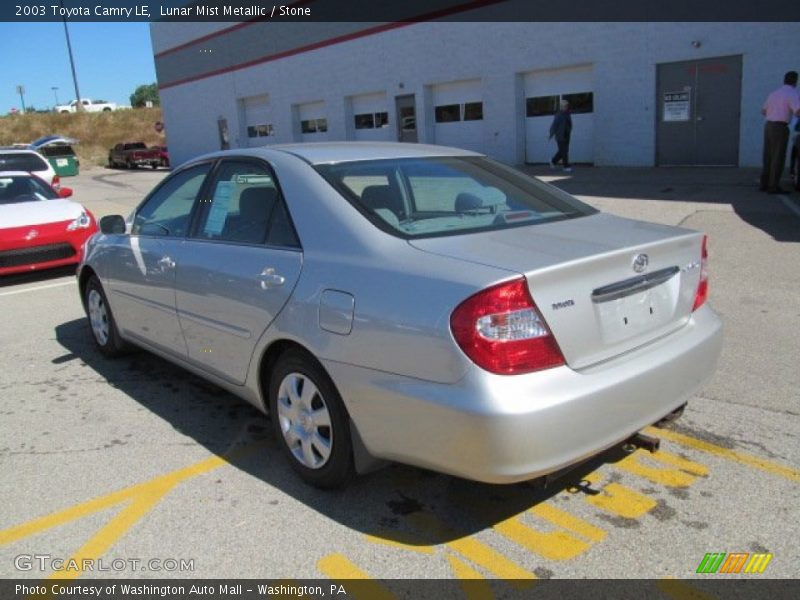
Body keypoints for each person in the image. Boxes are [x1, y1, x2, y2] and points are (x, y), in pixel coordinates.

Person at [760, 71, 800, 194]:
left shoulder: (774, 93)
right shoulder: (792, 93)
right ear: (795, 81)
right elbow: (798, 111)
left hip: (769, 126)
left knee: (768, 156)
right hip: (780, 127)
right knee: (778, 157)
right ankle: (773, 187)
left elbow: (763, 111)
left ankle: (764, 184)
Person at [549, 99, 573, 173]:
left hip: (566, 135)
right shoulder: (558, 115)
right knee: (564, 151)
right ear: (561, 107)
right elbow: (554, 125)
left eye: (567, 106)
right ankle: (566, 166)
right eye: (565, 106)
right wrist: (551, 134)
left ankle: (553, 161)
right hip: (560, 136)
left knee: (562, 151)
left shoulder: (568, 114)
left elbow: (569, 123)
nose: (566, 107)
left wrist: (569, 130)